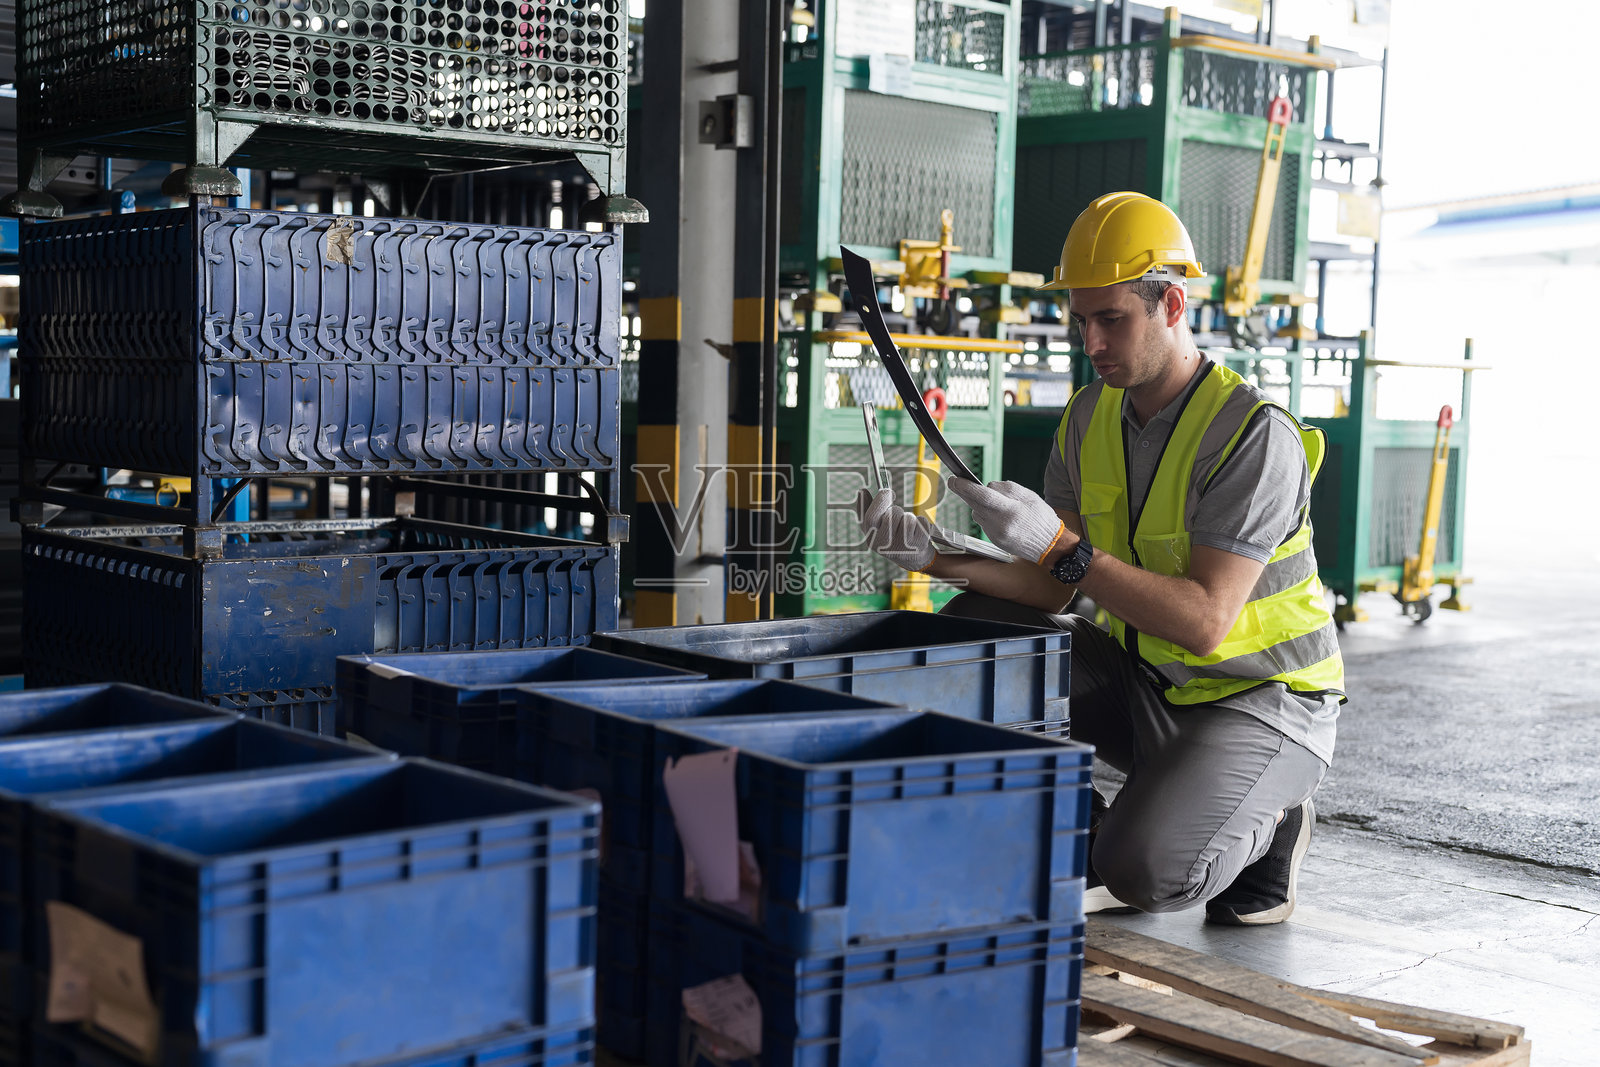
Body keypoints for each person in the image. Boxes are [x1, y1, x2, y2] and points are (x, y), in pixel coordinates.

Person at [854, 191, 1345, 925]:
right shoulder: (1089, 418)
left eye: (1111, 318)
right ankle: (1132, 805)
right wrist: (936, 556)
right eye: (1081, 319)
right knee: (969, 636)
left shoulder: (1252, 435)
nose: (1091, 341)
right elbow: (1050, 590)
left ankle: (1270, 821)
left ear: (1172, 305)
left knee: (1146, 872)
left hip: (1261, 701)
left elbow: (1206, 621)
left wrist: (1059, 546)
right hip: (1152, 686)